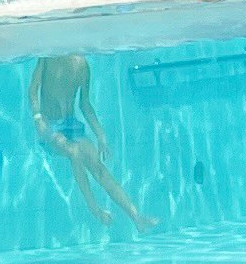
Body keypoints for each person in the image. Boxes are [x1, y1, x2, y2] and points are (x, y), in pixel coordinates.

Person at [28, 49, 153, 228]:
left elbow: (85, 105)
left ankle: (137, 218)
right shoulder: (48, 57)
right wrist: (37, 117)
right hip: (49, 125)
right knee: (74, 152)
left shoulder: (82, 66)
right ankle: (95, 208)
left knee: (99, 169)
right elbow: (33, 90)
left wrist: (101, 137)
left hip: (71, 125)